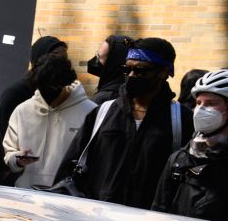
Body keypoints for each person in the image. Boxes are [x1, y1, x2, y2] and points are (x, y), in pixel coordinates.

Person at [58, 37, 184, 208]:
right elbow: (70, 164)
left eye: (140, 70)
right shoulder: (103, 112)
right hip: (96, 217)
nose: (131, 75)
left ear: (163, 72)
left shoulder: (181, 119)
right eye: (127, 69)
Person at [1, 51, 96, 189]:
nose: (48, 93)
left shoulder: (90, 112)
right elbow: (9, 152)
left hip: (68, 197)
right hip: (26, 194)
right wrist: (18, 160)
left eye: (54, 87)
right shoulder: (22, 111)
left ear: (66, 83)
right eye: (43, 87)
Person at [152, 69, 228, 221]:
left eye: (211, 103)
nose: (200, 109)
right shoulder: (180, 160)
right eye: (198, 103)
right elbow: (159, 213)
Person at [0, 35, 68, 147]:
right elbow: (3, 139)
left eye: (65, 58)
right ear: (39, 59)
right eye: (55, 56)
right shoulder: (15, 94)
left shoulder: (64, 94)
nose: (62, 63)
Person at [86, 33, 132, 105]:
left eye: (99, 56)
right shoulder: (129, 91)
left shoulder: (104, 99)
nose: (95, 59)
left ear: (112, 63)